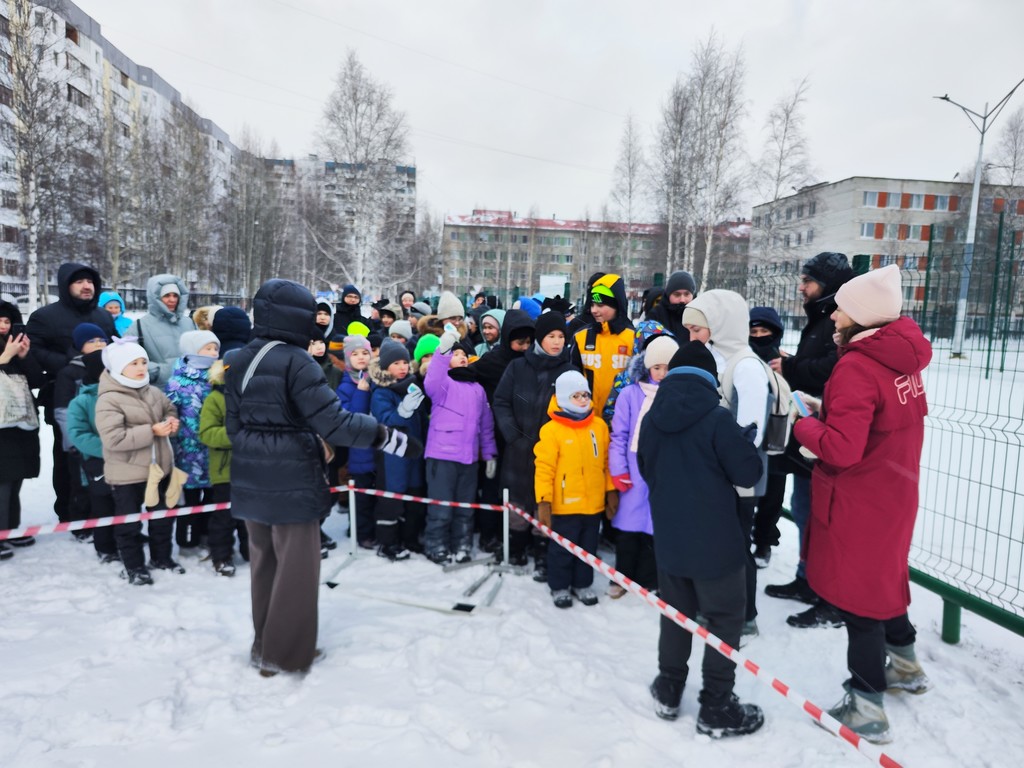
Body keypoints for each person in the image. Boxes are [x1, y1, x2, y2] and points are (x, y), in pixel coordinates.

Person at [225, 279, 416, 676]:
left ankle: (265, 646)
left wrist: (259, 451)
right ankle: (285, 654)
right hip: (291, 479)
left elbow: (233, 426)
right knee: (296, 570)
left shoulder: (242, 358)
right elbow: (336, 423)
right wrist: (387, 437)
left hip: (250, 478)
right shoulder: (298, 361)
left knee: (265, 565)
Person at [793, 265, 932, 742]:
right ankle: (907, 665)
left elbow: (842, 449)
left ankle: (867, 704)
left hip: (860, 500)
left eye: (842, 308)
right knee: (885, 578)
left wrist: (803, 425)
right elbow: (872, 422)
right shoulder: (900, 359)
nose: (832, 314)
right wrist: (828, 413)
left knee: (861, 601)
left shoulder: (855, 365)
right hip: (893, 493)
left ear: (863, 317)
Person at [637, 341, 764, 738]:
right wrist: (743, 442)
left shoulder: (653, 415)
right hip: (717, 543)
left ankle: (669, 687)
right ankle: (716, 705)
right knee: (724, 619)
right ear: (711, 379)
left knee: (676, 615)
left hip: (671, 539)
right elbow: (746, 474)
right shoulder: (717, 416)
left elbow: (645, 465)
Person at [764, 251, 854, 629]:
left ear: (828, 285)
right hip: (811, 434)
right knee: (803, 509)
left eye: (809, 280)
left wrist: (791, 366)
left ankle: (828, 593)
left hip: (830, 437)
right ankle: (807, 579)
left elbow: (833, 367)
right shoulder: (820, 318)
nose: (801, 286)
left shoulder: (841, 321)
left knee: (822, 517)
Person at [683, 290, 771, 639]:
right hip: (714, 475)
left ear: (720, 326)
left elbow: (750, 434)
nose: (691, 338)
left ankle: (744, 615)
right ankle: (716, 606)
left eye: (697, 330)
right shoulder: (718, 359)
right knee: (716, 544)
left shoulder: (746, 367)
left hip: (737, 480)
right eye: (688, 329)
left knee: (735, 547)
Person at [25, 262, 116, 524]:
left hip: (105, 395)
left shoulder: (103, 316)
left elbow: (115, 346)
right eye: (79, 282)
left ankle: (102, 511)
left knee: (104, 453)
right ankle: (69, 511)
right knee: (69, 458)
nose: (86, 286)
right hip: (64, 394)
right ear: (66, 286)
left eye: (90, 282)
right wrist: (70, 362)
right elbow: (33, 350)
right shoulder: (45, 316)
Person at [95, 337, 183, 585]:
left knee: (162, 518)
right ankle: (133, 566)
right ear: (119, 367)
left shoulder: (153, 391)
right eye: (133, 363)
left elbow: (169, 410)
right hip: (127, 474)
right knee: (129, 523)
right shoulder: (109, 399)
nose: (142, 367)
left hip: (159, 469)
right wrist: (152, 431)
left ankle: (161, 558)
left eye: (143, 361)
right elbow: (113, 439)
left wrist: (171, 422)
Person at [493, 310, 575, 571]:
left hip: (553, 453)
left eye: (561, 336)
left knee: (545, 500)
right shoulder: (517, 366)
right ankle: (515, 546)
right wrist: (513, 435)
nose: (557, 341)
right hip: (519, 449)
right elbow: (501, 401)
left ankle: (542, 548)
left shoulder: (569, 371)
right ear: (540, 338)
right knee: (517, 501)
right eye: (551, 335)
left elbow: (576, 410)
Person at [534, 370, 616, 608]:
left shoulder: (598, 426)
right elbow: (544, 468)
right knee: (562, 549)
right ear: (562, 398)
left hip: (592, 504)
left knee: (588, 548)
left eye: (585, 394)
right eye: (576, 395)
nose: (582, 399)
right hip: (564, 505)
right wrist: (544, 501)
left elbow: (606, 463)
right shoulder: (552, 431)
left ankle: (582, 583)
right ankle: (559, 586)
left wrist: (610, 492)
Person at [607, 334, 678, 597]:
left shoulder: (676, 396)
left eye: (667, 367)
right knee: (628, 528)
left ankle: (649, 579)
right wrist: (618, 469)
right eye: (656, 367)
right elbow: (619, 435)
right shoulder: (629, 394)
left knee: (654, 528)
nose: (661, 373)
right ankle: (622, 576)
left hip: (663, 472)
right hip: (633, 471)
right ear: (647, 366)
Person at [422, 327, 497, 564]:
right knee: (441, 507)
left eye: (464, 354)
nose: (462, 356)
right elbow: (433, 375)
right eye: (456, 354)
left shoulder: (478, 389)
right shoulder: (442, 385)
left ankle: (462, 544)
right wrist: (443, 349)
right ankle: (436, 545)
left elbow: (486, 425)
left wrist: (489, 454)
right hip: (442, 457)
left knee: (465, 507)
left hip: (470, 459)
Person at [197, 307, 254, 576]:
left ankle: (250, 551)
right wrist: (235, 435)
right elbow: (207, 433)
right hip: (224, 472)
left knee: (249, 517)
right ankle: (222, 556)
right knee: (223, 518)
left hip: (250, 469)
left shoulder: (254, 397)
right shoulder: (215, 399)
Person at [369, 339, 428, 561]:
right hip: (392, 454)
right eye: (396, 363)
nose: (403, 367)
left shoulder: (412, 386)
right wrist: (402, 411)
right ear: (385, 367)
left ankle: (410, 538)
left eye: (405, 362)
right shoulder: (381, 392)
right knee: (391, 499)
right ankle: (387, 542)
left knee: (414, 495)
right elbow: (384, 420)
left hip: (415, 452)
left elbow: (422, 419)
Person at [53, 323, 110, 541]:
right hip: (81, 441)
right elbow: (63, 411)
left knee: (105, 486)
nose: (98, 344)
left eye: (101, 340)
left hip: (107, 438)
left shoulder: (113, 367)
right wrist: (73, 442)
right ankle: (81, 525)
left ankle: (105, 525)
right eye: (91, 341)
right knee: (81, 485)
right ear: (78, 345)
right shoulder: (70, 372)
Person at [165, 330, 221, 552]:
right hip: (186, 450)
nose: (213, 353)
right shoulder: (177, 381)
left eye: (216, 348)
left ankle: (208, 534)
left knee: (211, 496)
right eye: (208, 348)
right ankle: (187, 537)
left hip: (213, 448)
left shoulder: (218, 377)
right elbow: (169, 409)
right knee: (189, 497)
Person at [66, 349, 121, 564]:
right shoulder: (82, 401)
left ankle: (124, 537)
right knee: (103, 505)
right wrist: (109, 447)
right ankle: (105, 546)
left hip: (124, 461)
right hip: (97, 462)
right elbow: (78, 435)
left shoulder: (121, 394)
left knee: (125, 503)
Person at [0, 300, 44, 557]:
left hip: (21, 422)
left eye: (7, 321)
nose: (3, 326)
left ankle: (11, 528)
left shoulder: (17, 347)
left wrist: (25, 357)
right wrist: (4, 358)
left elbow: (37, 380)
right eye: (0, 321)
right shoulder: (6, 352)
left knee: (16, 477)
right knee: (2, 479)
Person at [748, 306, 786, 568]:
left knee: (774, 493)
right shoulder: (744, 361)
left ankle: (764, 541)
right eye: (754, 332)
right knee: (749, 490)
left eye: (765, 332)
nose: (759, 337)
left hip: (778, 436)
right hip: (750, 434)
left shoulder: (784, 362)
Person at [570, 273, 635, 420]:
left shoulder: (633, 338)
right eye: (592, 305)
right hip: (586, 419)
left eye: (600, 305)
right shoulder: (581, 337)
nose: (594, 310)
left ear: (616, 305)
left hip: (621, 421)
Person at [334, 335, 378, 550]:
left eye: (365, 353)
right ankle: (361, 532)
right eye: (355, 354)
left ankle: (377, 529)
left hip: (379, 447)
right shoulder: (344, 387)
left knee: (378, 494)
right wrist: (361, 392)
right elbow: (351, 420)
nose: (361, 357)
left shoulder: (378, 378)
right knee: (361, 496)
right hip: (360, 450)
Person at [126, 274, 197, 387]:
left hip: (190, 391)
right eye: (167, 295)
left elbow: (201, 351)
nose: (172, 299)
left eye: (175, 295)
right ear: (156, 298)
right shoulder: (140, 325)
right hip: (157, 393)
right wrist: (159, 372)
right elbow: (127, 357)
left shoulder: (189, 322)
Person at [646, 270, 697, 339]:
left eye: (686, 294)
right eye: (677, 295)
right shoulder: (656, 315)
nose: (682, 300)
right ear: (668, 295)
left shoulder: (699, 315)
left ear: (693, 295)